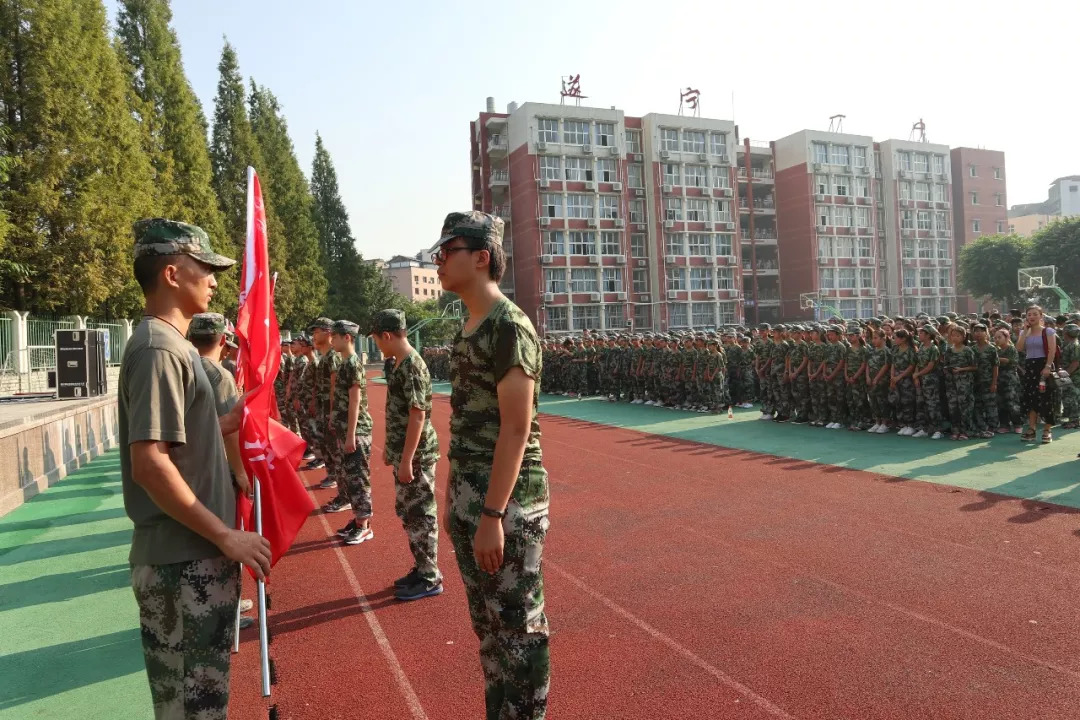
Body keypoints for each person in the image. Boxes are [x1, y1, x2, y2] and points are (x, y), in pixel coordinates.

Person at [120, 218, 271, 720]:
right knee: (192, 710)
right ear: (170, 272)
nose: (212, 278)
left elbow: (187, 433)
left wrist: (234, 417)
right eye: (202, 267)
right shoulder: (160, 349)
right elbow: (151, 464)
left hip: (192, 560)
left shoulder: (175, 346)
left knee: (201, 705)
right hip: (182, 564)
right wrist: (226, 536)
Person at [431, 211, 550, 720]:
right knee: (490, 629)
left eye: (447, 251)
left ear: (481, 258)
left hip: (507, 504)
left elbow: (516, 429)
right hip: (472, 495)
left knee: (519, 629)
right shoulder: (471, 325)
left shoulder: (508, 326)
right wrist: (454, 500)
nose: (438, 261)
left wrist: (492, 515)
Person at [369, 309, 444, 601]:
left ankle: (430, 577)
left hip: (417, 456)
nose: (377, 344)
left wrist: (406, 460)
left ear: (387, 335)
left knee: (421, 514)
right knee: (411, 513)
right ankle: (422, 567)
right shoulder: (400, 363)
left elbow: (418, 415)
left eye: (377, 339)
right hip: (407, 454)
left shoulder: (412, 365)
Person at [329, 320, 375, 545]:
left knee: (358, 479)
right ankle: (358, 520)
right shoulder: (345, 363)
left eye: (335, 336)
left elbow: (355, 401)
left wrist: (350, 435)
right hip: (347, 430)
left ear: (347, 337)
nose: (332, 340)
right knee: (350, 478)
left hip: (356, 432)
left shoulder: (353, 364)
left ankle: (364, 525)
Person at [1016, 305, 1057, 444]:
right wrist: (1025, 331)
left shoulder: (1048, 331)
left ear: (1041, 316)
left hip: (1043, 366)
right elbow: (1019, 348)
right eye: (1029, 315)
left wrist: (1047, 366)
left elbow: (1052, 350)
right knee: (1030, 398)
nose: (1031, 317)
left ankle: (1047, 429)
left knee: (1045, 398)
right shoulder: (1024, 332)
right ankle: (1032, 428)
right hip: (1030, 367)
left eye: (1034, 314)